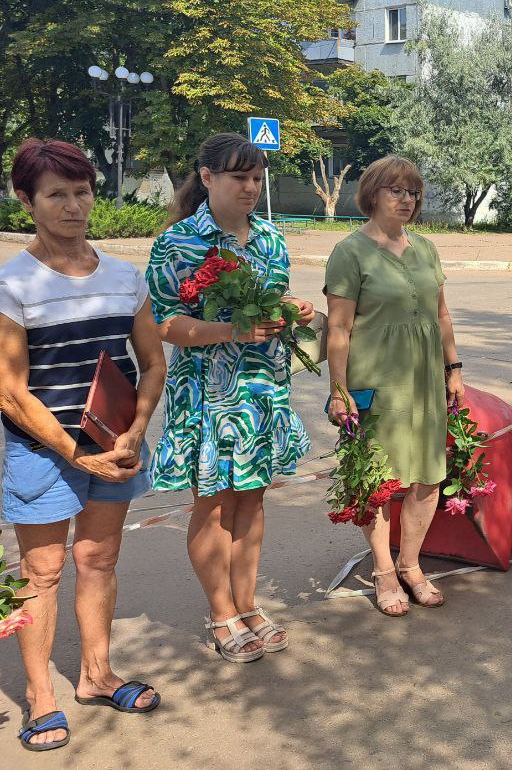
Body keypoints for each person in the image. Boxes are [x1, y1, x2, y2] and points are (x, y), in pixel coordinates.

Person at [0, 140, 166, 752]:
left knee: (98, 559)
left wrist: (134, 431)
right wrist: (75, 454)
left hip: (113, 443)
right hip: (43, 451)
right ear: (27, 200)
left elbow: (151, 362)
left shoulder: (125, 276)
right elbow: (11, 393)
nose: (74, 206)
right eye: (57, 195)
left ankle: (96, 676)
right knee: (41, 571)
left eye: (83, 192)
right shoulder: (11, 283)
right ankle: (41, 697)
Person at [147, 133, 315, 661]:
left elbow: (274, 299)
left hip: (262, 389)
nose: (250, 187)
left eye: (257, 177)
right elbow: (164, 325)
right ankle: (220, 612)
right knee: (215, 504)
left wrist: (292, 310)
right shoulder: (178, 244)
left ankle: (247, 603)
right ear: (207, 177)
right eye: (239, 176)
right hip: (207, 393)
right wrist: (230, 331)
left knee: (253, 498)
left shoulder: (269, 238)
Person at [324, 156, 466, 615]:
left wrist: (455, 369)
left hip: (424, 381)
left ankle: (411, 564)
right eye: (396, 191)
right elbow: (339, 330)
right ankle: (383, 570)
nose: (407, 200)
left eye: (413, 192)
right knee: (378, 480)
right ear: (373, 194)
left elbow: (441, 315)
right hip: (376, 381)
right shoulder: (350, 252)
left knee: (427, 475)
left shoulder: (425, 249)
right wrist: (339, 390)